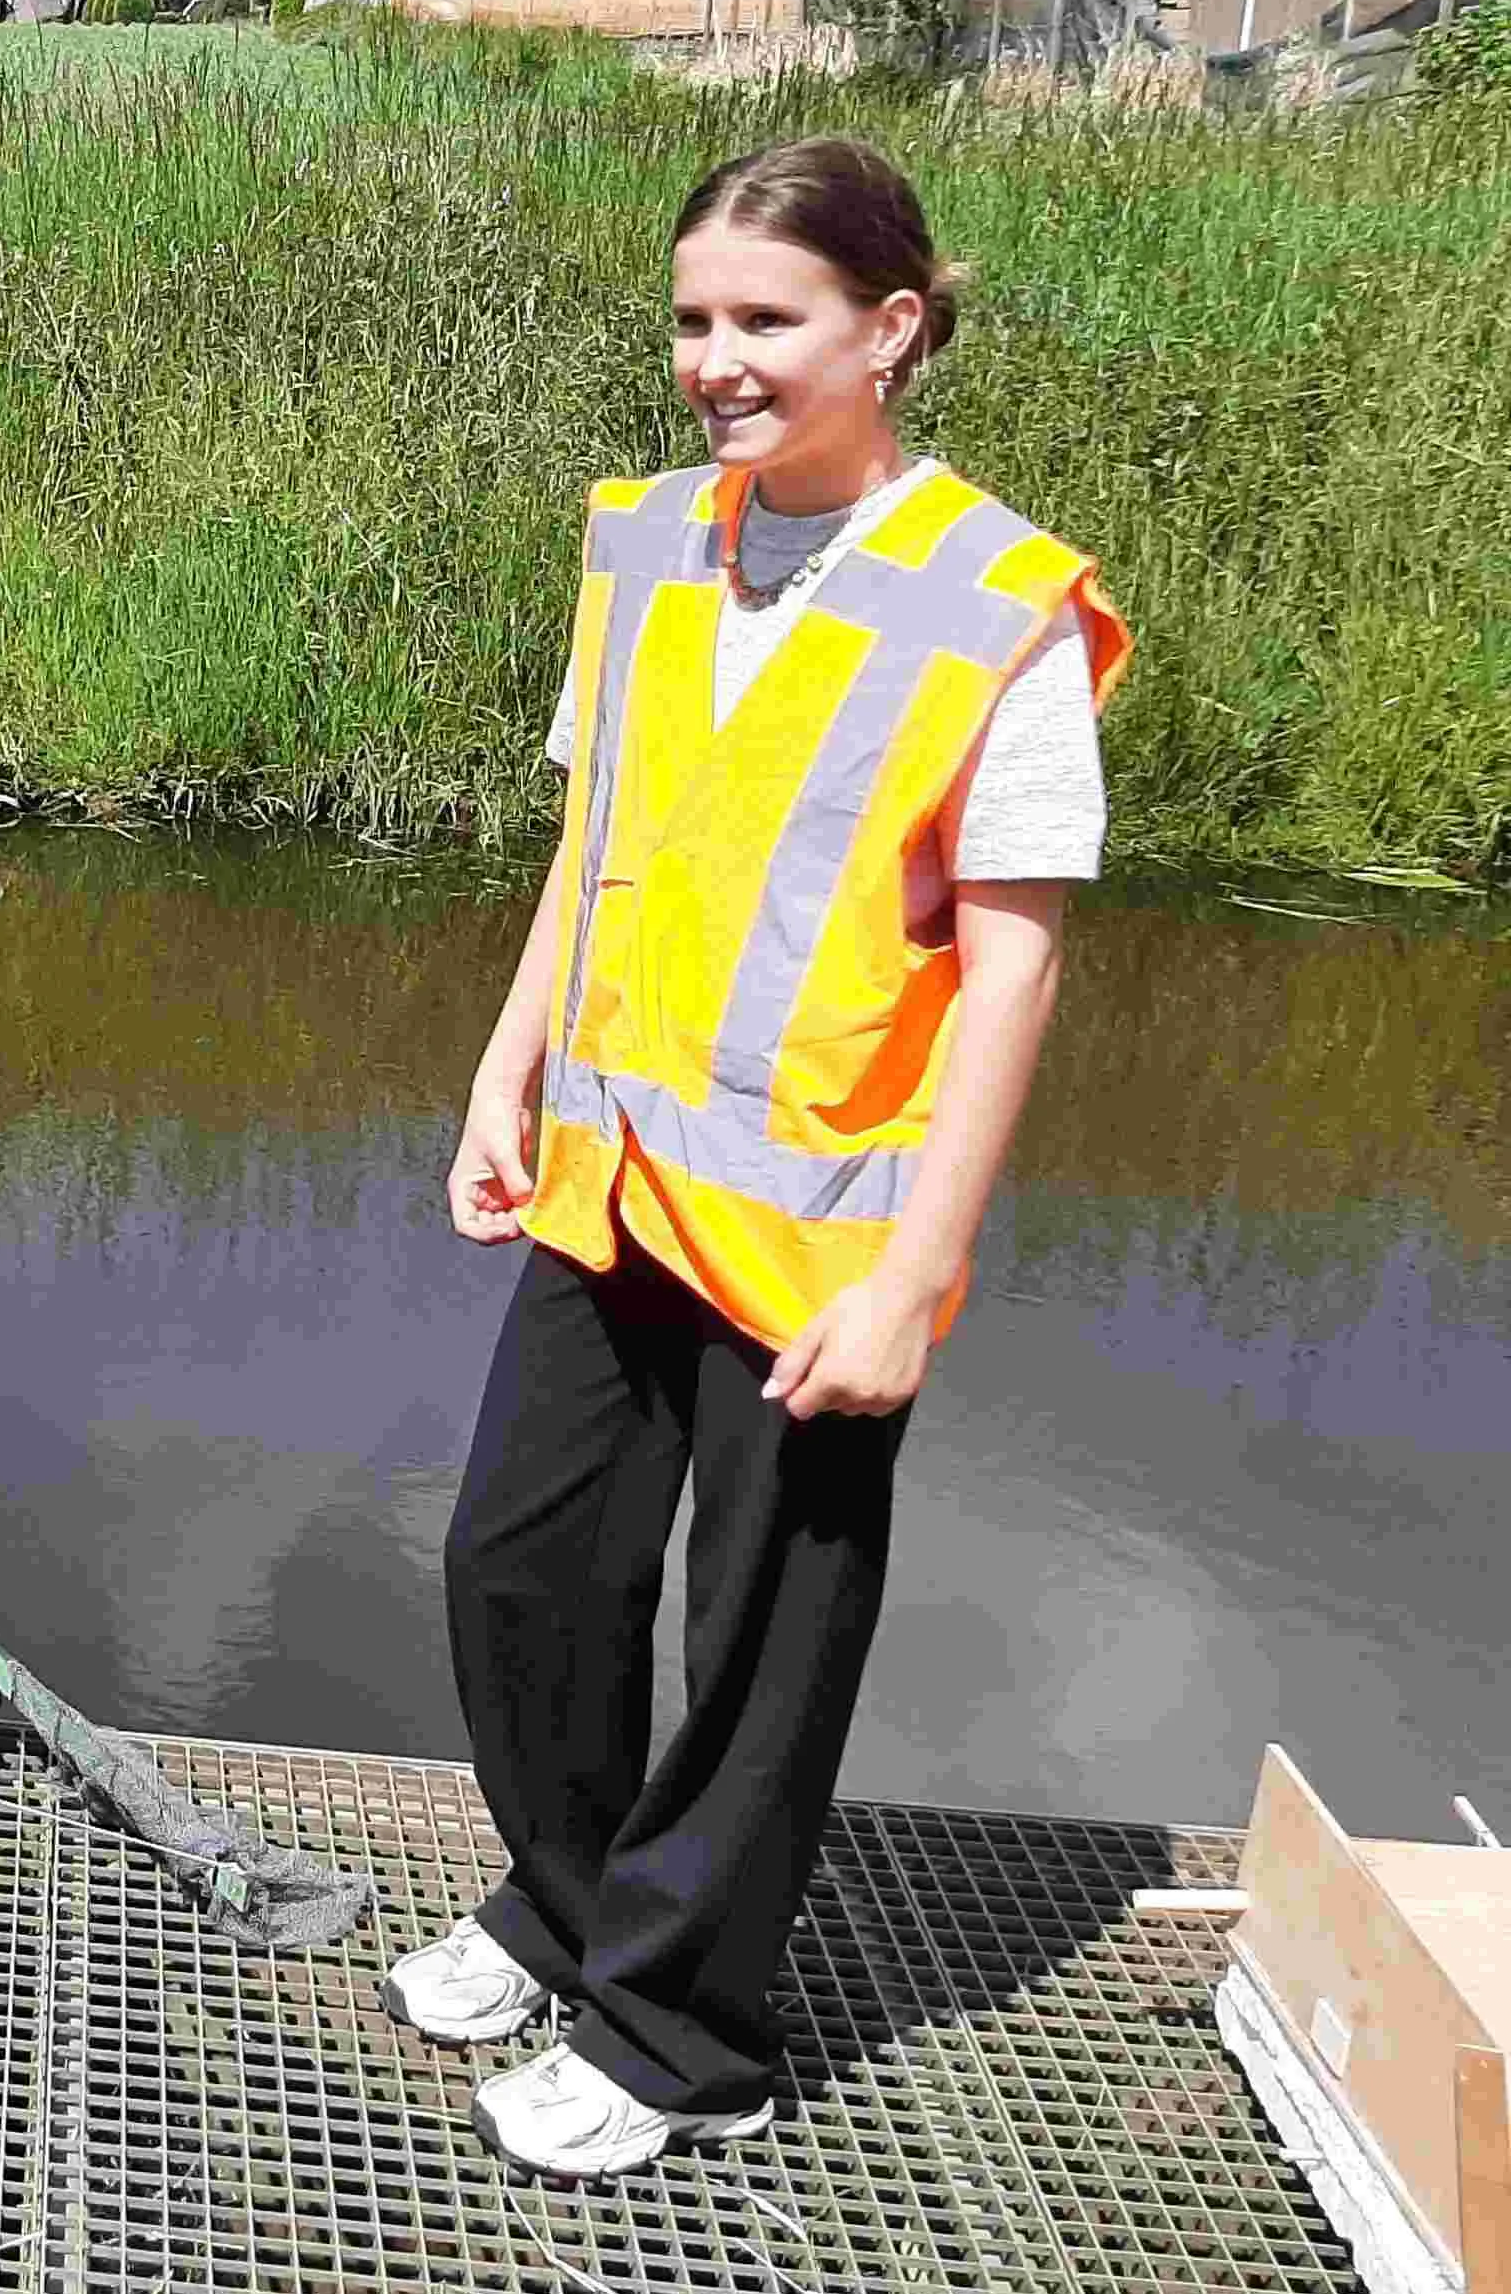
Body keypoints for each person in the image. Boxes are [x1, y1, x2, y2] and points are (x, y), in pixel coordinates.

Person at [392, 137, 1130, 2180]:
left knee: (758, 1642)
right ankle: (566, 1912)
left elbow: (1014, 971)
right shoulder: (647, 542)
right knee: (521, 1568)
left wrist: (916, 1278)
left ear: (888, 330)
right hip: (612, 1182)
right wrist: (503, 1070)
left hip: (821, 1241)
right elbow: (596, 840)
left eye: (766, 320)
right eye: (695, 318)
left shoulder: (1000, 603)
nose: (718, 359)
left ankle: (679, 2034)